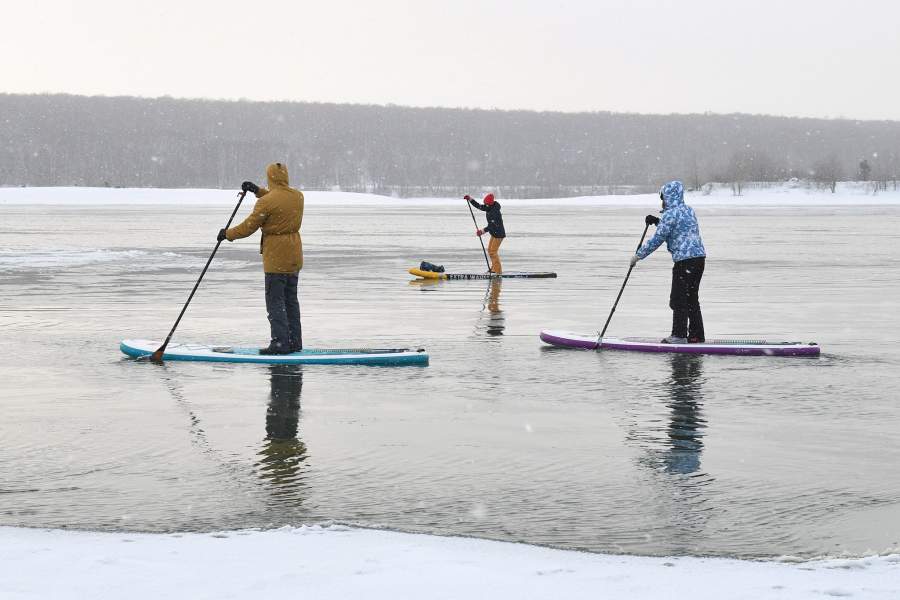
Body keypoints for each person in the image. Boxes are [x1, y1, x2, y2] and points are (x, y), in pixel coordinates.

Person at [218, 163, 304, 354]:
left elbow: (249, 226)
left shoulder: (267, 202)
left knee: (275, 302)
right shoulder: (297, 196)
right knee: (291, 301)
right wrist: (257, 190)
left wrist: (228, 234)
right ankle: (294, 342)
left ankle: (280, 344)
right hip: (294, 255)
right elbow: (278, 201)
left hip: (276, 257)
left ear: (270, 177)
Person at [630, 180, 706, 344]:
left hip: (684, 262)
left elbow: (658, 238)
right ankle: (696, 335)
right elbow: (679, 228)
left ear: (669, 197)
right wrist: (658, 221)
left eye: (663, 197)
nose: (662, 201)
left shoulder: (671, 215)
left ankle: (679, 336)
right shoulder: (688, 210)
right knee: (691, 298)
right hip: (699, 260)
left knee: (678, 299)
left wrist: (638, 256)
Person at [464, 192, 506, 274]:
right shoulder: (489, 207)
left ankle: (498, 272)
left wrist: (482, 231)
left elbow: (491, 226)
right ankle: (494, 268)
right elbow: (479, 206)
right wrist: (470, 199)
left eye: (486, 204)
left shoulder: (495, 212)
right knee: (490, 250)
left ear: (490, 203)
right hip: (494, 233)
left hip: (499, 234)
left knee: (493, 252)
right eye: (485, 204)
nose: (485, 205)